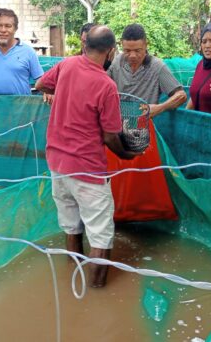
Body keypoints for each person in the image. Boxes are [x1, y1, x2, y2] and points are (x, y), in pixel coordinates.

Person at [35, 25, 140, 288]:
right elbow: (110, 136)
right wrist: (127, 155)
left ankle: (73, 279)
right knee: (101, 235)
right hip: (88, 171)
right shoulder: (106, 85)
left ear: (85, 46)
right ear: (112, 52)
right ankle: (95, 292)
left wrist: (60, 94)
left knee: (71, 225)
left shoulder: (66, 65)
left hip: (58, 166)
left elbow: (39, 85)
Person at [107, 23, 187, 117]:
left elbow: (181, 95)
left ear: (146, 45)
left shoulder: (157, 66)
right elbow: (101, 85)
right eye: (127, 51)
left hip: (144, 127)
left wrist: (159, 108)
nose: (132, 55)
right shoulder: (117, 61)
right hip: (117, 124)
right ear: (121, 45)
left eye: (137, 50)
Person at [0, 9, 44, 98]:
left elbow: (40, 79)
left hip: (22, 108)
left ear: (15, 29)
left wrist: (47, 91)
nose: (3, 30)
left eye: (8, 26)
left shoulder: (28, 52)